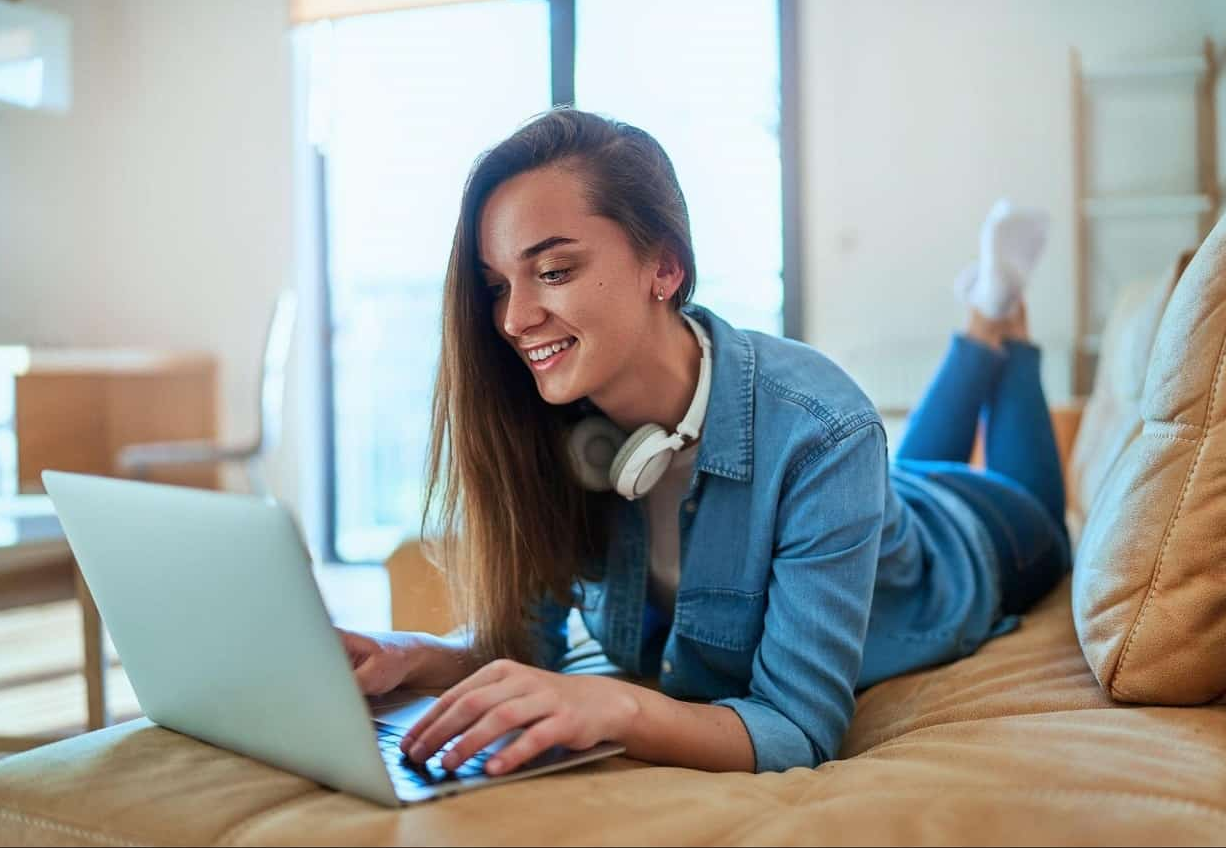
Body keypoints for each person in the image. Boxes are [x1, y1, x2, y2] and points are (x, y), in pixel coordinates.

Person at [337, 108, 1071, 778]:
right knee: (903, 468)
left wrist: (618, 708)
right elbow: (531, 649)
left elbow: (796, 729)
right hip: (877, 501)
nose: (514, 318)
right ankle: (986, 312)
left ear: (665, 267)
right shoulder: (551, 426)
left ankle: (998, 314)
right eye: (497, 286)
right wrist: (411, 655)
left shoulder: (824, 427)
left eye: (554, 271)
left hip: (979, 540)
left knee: (1037, 506)